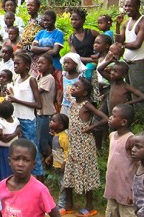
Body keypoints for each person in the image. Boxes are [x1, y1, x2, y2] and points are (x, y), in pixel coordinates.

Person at [63, 77, 107, 217]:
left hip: (85, 145)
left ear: (84, 93)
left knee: (87, 174)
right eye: (73, 86)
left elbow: (105, 118)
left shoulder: (87, 105)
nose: (73, 88)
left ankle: (89, 206)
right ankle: (68, 205)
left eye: (77, 86)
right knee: (69, 173)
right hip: (73, 144)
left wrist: (92, 127)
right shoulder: (73, 104)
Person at [0, 139, 61, 217]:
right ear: (9, 161)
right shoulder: (0, 187)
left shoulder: (40, 190)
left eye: (26, 160)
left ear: (33, 164)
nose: (20, 164)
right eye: (16, 159)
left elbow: (56, 215)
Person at [5, 51, 44, 178]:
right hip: (16, 119)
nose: (15, 66)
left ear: (27, 66)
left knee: (32, 151)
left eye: (18, 64)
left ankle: (39, 180)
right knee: (20, 150)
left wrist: (17, 100)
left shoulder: (31, 80)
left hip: (27, 120)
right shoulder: (17, 80)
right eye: (14, 64)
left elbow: (38, 105)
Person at [115, 0, 144, 120]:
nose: (127, 8)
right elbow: (119, 39)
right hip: (126, 63)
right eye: (126, 6)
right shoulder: (126, 22)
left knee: (142, 90)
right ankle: (135, 117)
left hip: (138, 63)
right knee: (130, 91)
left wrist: (122, 45)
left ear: (137, 6)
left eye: (130, 6)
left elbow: (137, 44)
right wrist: (117, 25)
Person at [104, 104, 137, 217]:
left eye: (113, 116)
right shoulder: (112, 135)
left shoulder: (131, 140)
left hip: (127, 190)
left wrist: (134, 191)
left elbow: (139, 166)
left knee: (126, 213)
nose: (110, 117)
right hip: (112, 187)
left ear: (123, 122)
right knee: (111, 212)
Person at [32, 10, 65, 97]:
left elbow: (55, 52)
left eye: (48, 20)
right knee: (42, 91)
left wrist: (40, 50)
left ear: (54, 20)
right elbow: (33, 48)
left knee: (57, 92)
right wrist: (47, 48)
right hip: (42, 67)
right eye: (44, 20)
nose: (45, 22)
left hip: (55, 66)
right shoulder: (41, 33)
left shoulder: (58, 33)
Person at [44, 113, 70, 213]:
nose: (50, 122)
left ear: (61, 126)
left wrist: (64, 163)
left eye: (53, 121)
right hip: (57, 166)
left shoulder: (63, 137)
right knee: (61, 184)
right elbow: (56, 150)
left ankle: (61, 204)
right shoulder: (56, 135)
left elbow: (68, 151)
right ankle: (63, 203)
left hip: (63, 166)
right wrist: (50, 157)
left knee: (63, 185)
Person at [35, 55, 57, 164]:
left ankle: (50, 161)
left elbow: (36, 92)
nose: (39, 65)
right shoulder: (40, 77)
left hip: (47, 113)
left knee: (43, 141)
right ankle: (48, 161)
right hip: (41, 113)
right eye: (38, 63)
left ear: (49, 66)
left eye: (42, 63)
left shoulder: (49, 78)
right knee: (42, 139)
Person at [0, 100, 21, 182]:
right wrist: (14, 134)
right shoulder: (15, 119)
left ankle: (2, 183)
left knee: (2, 168)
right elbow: (19, 127)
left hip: (3, 150)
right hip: (14, 148)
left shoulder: (0, 122)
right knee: (10, 168)